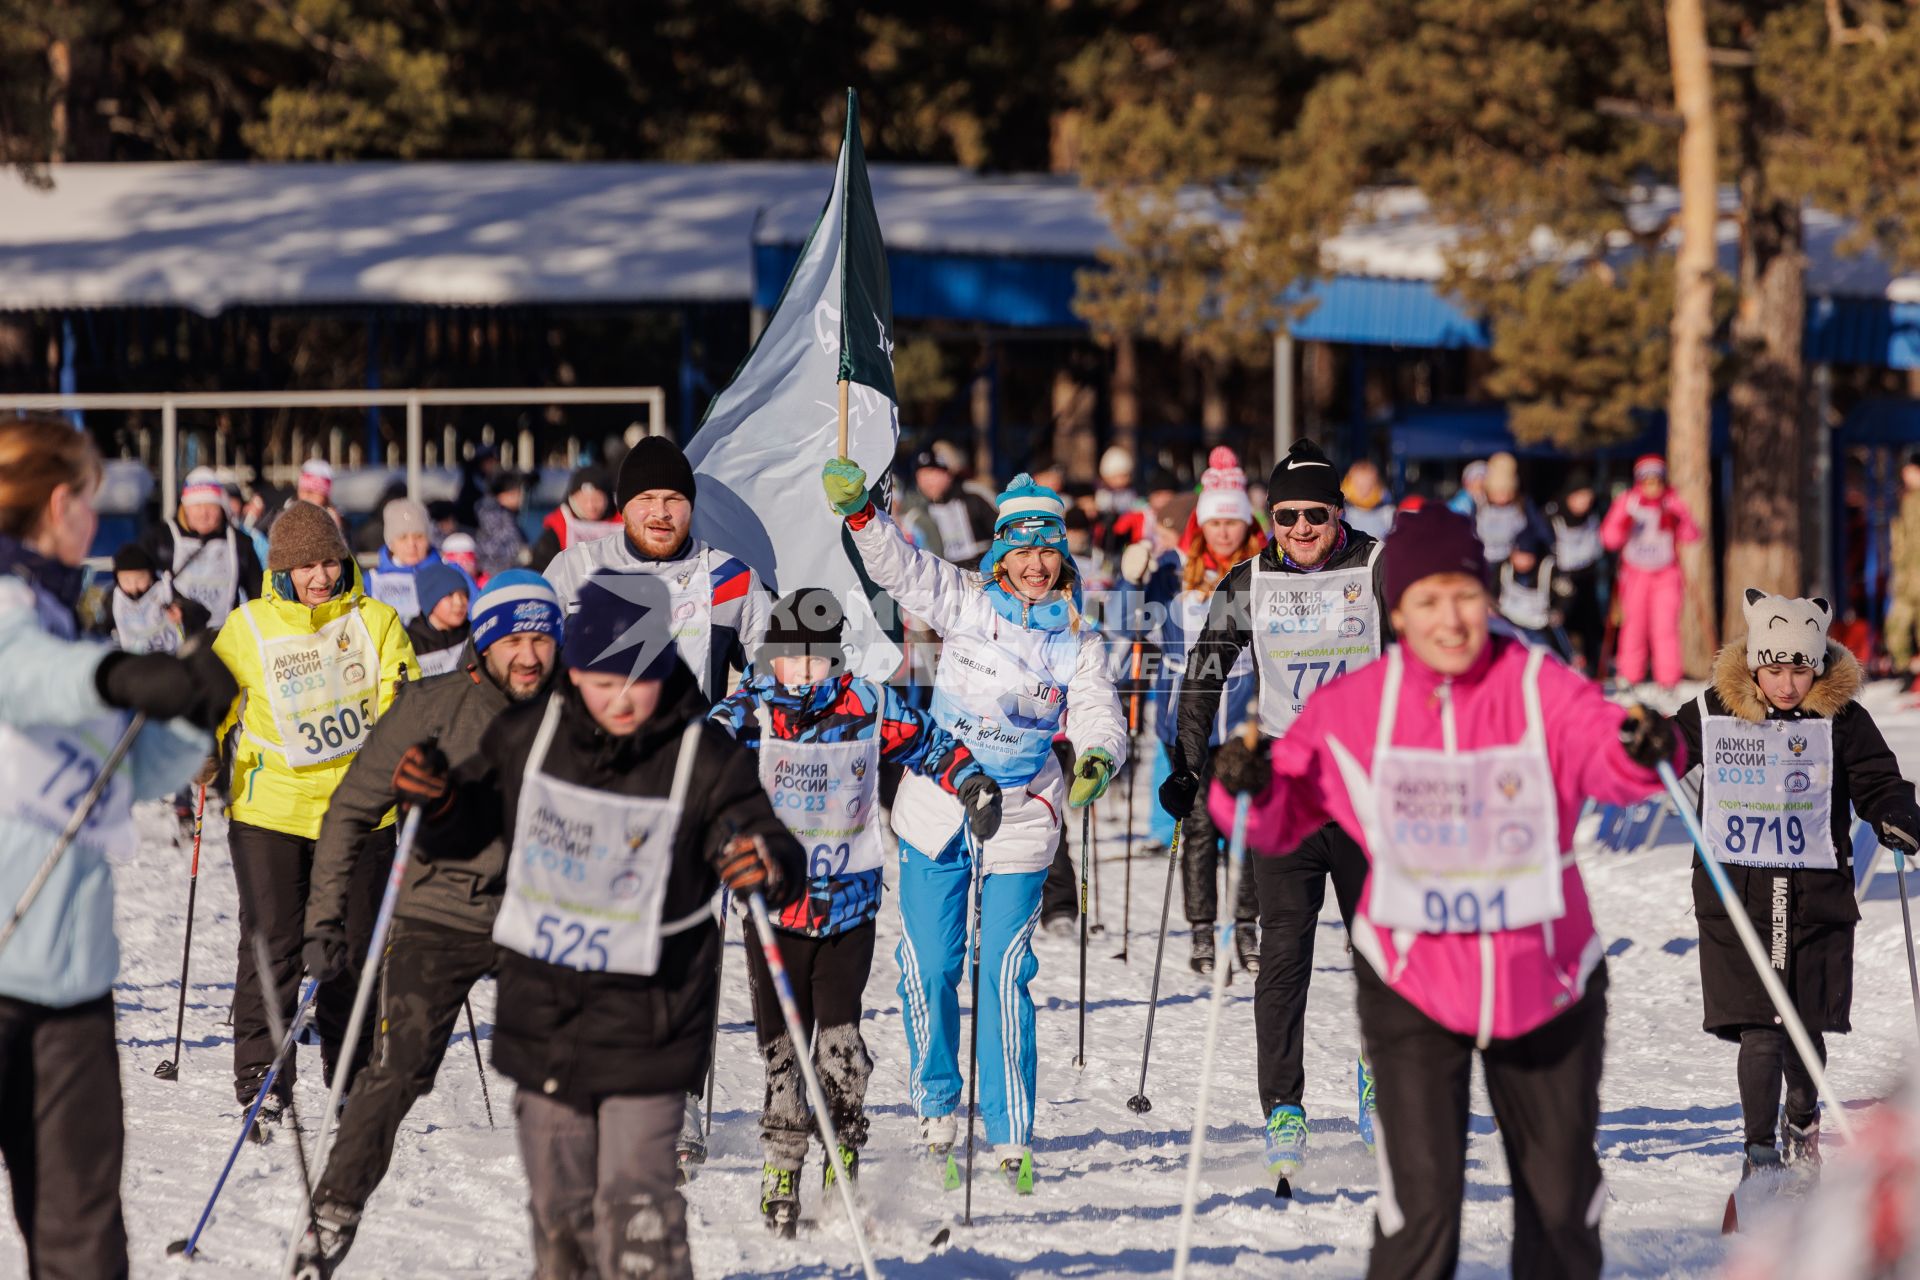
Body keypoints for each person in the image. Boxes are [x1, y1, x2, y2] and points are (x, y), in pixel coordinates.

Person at [1209, 504, 1682, 1280]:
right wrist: (1243, 786)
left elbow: (1606, 751)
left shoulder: (1535, 684)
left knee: (1561, 1208)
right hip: (1413, 982)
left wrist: (1643, 745)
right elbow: (1282, 805)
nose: (1449, 619)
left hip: (1546, 978)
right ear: (1396, 610)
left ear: (1487, 596)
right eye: (1426, 601)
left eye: (1463, 594)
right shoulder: (1359, 706)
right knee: (1420, 1216)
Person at [403, 570, 804, 1278]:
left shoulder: (699, 753)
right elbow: (469, 825)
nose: (621, 699)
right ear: (574, 670)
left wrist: (760, 861)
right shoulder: (530, 736)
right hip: (546, 1020)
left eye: (639, 680)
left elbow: (763, 836)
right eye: (601, 679)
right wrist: (437, 803)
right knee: (563, 1221)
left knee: (638, 1207)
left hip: (653, 1022)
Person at [821, 458, 1126, 1189]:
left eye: (1047, 549)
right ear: (999, 554)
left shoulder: (1078, 638)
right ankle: (935, 1106)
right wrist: (863, 514)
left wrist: (1098, 757)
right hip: (938, 804)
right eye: (1020, 550)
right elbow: (902, 568)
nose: (1034, 564)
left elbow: (1095, 710)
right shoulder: (967, 600)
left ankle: (1011, 1130)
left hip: (1021, 812)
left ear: (1061, 555)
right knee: (930, 967)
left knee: (1006, 970)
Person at [0, 416, 234, 1280]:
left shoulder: (64, 619)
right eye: (90, 503)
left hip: (71, 986)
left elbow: (121, 771)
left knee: (83, 1241)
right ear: (61, 502)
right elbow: (23, 679)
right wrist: (115, 675)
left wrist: (193, 708)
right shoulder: (20, 619)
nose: (94, 524)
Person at [291, 570, 565, 1275]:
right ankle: (333, 1212)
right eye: (514, 640)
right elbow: (349, 811)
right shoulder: (430, 707)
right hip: (438, 915)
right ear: (483, 643)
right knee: (400, 1069)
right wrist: (324, 923)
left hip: (541, 916)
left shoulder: (581, 713)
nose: (529, 655)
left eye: (542, 638)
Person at [709, 586, 1002, 1234]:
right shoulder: (754, 710)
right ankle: (782, 1164)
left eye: (817, 659)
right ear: (772, 661)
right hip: (775, 914)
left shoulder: (868, 706)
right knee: (785, 1053)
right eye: (791, 659)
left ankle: (842, 1157)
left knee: (841, 1048)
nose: (804, 671)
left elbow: (932, 743)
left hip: (848, 908)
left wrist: (974, 782)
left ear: (838, 660)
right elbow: (697, 758)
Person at [1159, 436, 1389, 1178]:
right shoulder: (1248, 579)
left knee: (1381, 952)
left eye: (1314, 517)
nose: (1299, 530)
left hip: (1366, 786)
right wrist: (1188, 768)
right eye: (1285, 517)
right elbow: (1201, 676)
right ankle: (1283, 1105)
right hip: (1288, 788)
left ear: (1338, 513)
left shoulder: (1381, 568)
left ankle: (1382, 1081)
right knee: (1282, 954)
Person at [1673, 589, 1920, 1186]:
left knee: (1803, 1027)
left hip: (1815, 897)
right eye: (1774, 669)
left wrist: (1895, 814)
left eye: (1800, 669)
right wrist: (1641, 744)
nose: (1786, 685)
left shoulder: (1843, 721)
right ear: (1755, 663)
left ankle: (1802, 1122)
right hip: (1739, 896)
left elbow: (1879, 779)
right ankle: (1757, 1154)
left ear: (1818, 664)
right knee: (1759, 1028)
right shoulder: (1714, 711)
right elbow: (1667, 749)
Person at [212, 500, 418, 1127]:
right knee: (272, 945)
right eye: (305, 566)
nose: (320, 576)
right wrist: (198, 748)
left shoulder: (376, 621)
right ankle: (264, 1079)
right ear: (282, 572)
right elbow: (208, 701)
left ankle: (352, 1076)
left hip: (358, 814)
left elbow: (403, 698)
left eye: (330, 561)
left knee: (352, 952)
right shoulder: (248, 626)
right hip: (270, 810)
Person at [1121, 448, 1262, 973]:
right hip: (1185, 715)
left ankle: (1246, 923)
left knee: (1246, 823)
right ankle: (1203, 929)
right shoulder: (1177, 571)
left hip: (1247, 713)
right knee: (1199, 824)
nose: (1224, 532)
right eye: (1216, 522)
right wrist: (1131, 579)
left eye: (1232, 522)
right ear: (1203, 525)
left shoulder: (1262, 572)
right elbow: (1131, 623)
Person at [544, 435, 770, 704]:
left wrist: (730, 721)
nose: (660, 512)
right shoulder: (573, 567)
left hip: (690, 742)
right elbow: (529, 656)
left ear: (691, 507)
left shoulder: (731, 577)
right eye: (646, 498)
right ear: (624, 507)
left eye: (673, 499)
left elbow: (773, 674)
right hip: (594, 742)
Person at [1602, 454, 1701, 692]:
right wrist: (1623, 517)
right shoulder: (1628, 501)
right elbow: (1609, 539)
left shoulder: (1671, 501)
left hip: (1666, 574)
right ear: (1639, 481)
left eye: (1656, 481)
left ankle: (1668, 680)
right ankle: (1629, 677)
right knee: (1634, 626)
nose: (1652, 486)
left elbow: (1692, 535)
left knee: (1665, 627)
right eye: (1647, 481)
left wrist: (1680, 516)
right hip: (1635, 574)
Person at [143, 465, 265, 631]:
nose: (203, 514)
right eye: (196, 506)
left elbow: (257, 595)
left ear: (221, 508)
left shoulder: (240, 543)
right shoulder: (161, 538)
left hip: (224, 641)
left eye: (210, 506)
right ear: (185, 508)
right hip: (176, 640)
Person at [1546, 469, 1607, 676]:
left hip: (1587, 579)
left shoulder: (1593, 516)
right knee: (1563, 626)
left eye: (1588, 497)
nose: (1584, 503)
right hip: (1561, 580)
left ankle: (1593, 668)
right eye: (1579, 497)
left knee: (1590, 625)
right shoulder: (1553, 516)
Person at [896, 448, 996, 569]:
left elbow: (1003, 530)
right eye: (922, 475)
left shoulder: (974, 496)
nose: (927, 480)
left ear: (948, 474)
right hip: (944, 578)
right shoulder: (916, 509)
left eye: (933, 472)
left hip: (984, 572)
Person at [365, 497, 449, 625]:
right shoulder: (372, 580)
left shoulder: (447, 575)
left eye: (419, 536)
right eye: (403, 537)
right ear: (391, 543)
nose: (412, 545)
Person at [528, 466, 620, 572]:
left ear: (607, 498)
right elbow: (541, 567)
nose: (590, 506)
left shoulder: (623, 522)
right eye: (584, 500)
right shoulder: (559, 527)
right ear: (572, 498)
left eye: (597, 500)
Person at [1471, 451, 1549, 568]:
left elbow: (1537, 528)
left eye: (1506, 493)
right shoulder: (1480, 506)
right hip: (1484, 560)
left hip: (1513, 562)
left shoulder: (1522, 504)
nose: (1502, 498)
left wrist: (1528, 548)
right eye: (1497, 493)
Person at [1497, 526, 1565, 658]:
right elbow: (1492, 592)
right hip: (1507, 626)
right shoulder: (1504, 567)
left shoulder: (1548, 570)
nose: (1521, 561)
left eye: (1526, 556)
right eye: (1518, 555)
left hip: (1538, 629)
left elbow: (1566, 592)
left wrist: (1559, 610)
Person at [108, 542, 183, 655]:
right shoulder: (115, 598)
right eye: (126, 581)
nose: (133, 587)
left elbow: (194, 610)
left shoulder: (168, 589)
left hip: (171, 656)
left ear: (151, 575)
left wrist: (182, 613)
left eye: (140, 579)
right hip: (136, 660)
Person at [1885, 452, 1920, 681]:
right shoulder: (1906, 500)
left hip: (1913, 576)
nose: (1905, 475)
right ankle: (1907, 671)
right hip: (1907, 578)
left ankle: (1909, 674)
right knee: (1896, 627)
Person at [404, 562, 473, 678]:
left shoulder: (473, 635)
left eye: (463, 595)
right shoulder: (409, 644)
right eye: (450, 595)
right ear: (430, 601)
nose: (459, 603)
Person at [477, 470, 531, 578]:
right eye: (516, 493)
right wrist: (520, 553)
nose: (520, 498)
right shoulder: (494, 516)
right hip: (497, 576)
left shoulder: (506, 514)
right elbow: (494, 551)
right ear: (502, 495)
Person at [1340, 460, 1397, 540]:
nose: (1364, 491)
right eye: (1359, 486)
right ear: (1349, 484)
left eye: (1369, 486)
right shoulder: (1341, 512)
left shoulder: (1388, 512)